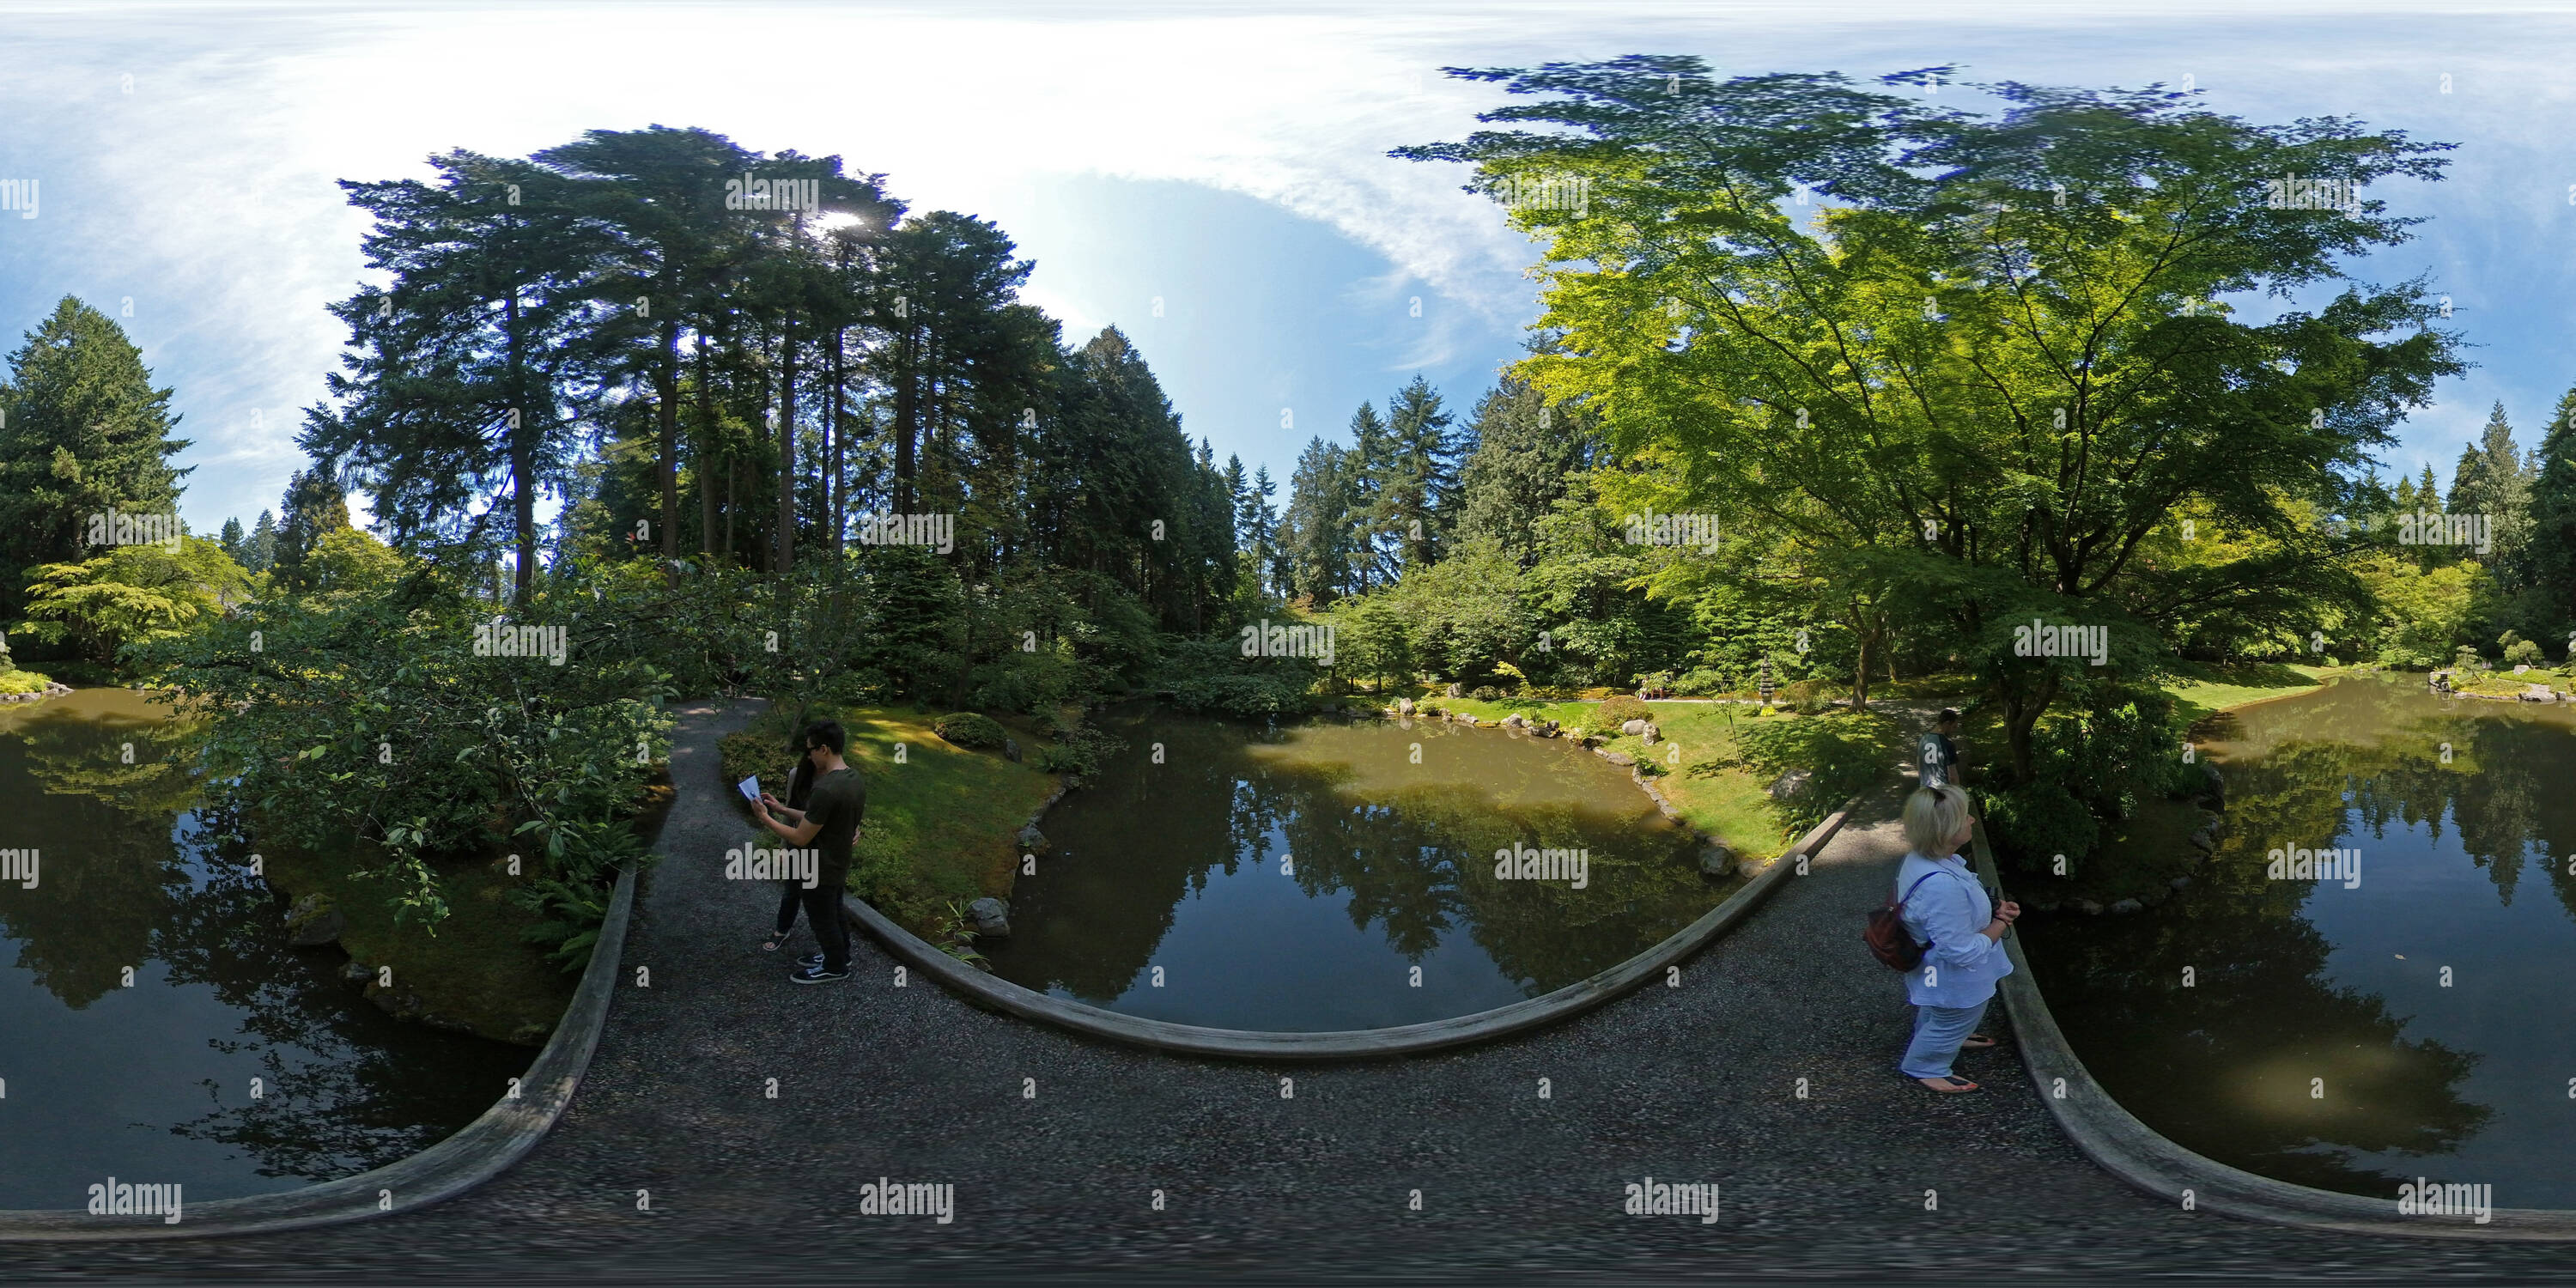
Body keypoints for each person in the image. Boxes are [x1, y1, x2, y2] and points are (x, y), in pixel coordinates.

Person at [1893, 783, 2018, 1093]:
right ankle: (1925, 1066)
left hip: (1934, 968)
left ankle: (1949, 1034)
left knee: (1940, 1012)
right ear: (1945, 831)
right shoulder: (1941, 886)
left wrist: (1990, 909)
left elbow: (1950, 914)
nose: (1972, 820)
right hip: (1954, 974)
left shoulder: (1927, 858)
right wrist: (2001, 922)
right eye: (1964, 817)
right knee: (1956, 1015)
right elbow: (1960, 952)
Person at [752, 720, 866, 984]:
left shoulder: (826, 789)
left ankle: (835, 968)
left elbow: (800, 836)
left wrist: (764, 817)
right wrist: (781, 810)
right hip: (838, 863)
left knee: (823, 920)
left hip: (819, 867)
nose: (809, 754)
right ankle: (840, 956)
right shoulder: (853, 778)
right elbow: (817, 818)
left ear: (824, 749)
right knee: (836, 912)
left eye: (811, 749)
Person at [756, 750, 818, 955]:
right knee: (792, 891)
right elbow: (787, 810)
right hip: (797, 842)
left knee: (820, 895)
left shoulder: (837, 780)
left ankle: (827, 943)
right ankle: (782, 929)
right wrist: (783, 846)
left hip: (824, 846)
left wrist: (854, 828)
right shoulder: (796, 775)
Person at [1917, 708, 1964, 789]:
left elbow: (1919, 764)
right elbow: (1952, 777)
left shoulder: (1923, 740)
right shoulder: (1947, 744)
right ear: (1947, 724)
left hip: (1925, 790)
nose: (1954, 730)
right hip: (1942, 791)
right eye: (1954, 727)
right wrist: (1958, 792)